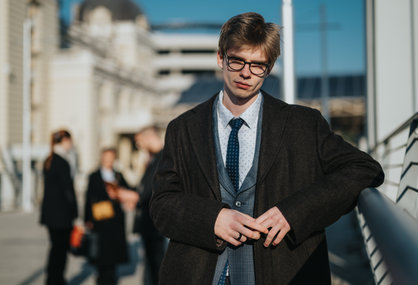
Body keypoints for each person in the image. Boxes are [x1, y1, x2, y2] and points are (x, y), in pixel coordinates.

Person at [150, 12, 385, 285]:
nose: (246, 73)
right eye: (237, 60)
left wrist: (295, 211)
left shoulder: (303, 124)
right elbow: (161, 204)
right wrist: (211, 219)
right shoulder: (183, 128)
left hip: (285, 274)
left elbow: (364, 169)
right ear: (220, 58)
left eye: (257, 65)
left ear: (270, 68)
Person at [84, 147, 139, 285]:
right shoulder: (94, 176)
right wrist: (87, 219)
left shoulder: (118, 175)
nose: (109, 160)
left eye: (111, 157)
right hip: (100, 220)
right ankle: (101, 278)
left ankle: (112, 278)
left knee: (113, 252)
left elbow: (130, 190)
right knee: (101, 252)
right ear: (102, 158)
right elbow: (88, 199)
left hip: (115, 220)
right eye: (106, 157)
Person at [40, 129, 78, 285]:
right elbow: (68, 191)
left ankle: (52, 279)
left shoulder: (49, 160)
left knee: (55, 249)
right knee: (60, 251)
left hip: (50, 215)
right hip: (62, 216)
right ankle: (57, 280)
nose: (71, 144)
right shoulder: (63, 161)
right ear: (64, 141)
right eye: (70, 141)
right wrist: (75, 213)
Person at [134, 127, 166, 285]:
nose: (139, 146)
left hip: (156, 225)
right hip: (149, 224)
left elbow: (153, 191)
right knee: (151, 267)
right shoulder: (153, 159)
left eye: (140, 142)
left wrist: (135, 198)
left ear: (148, 138)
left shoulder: (164, 158)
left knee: (157, 267)